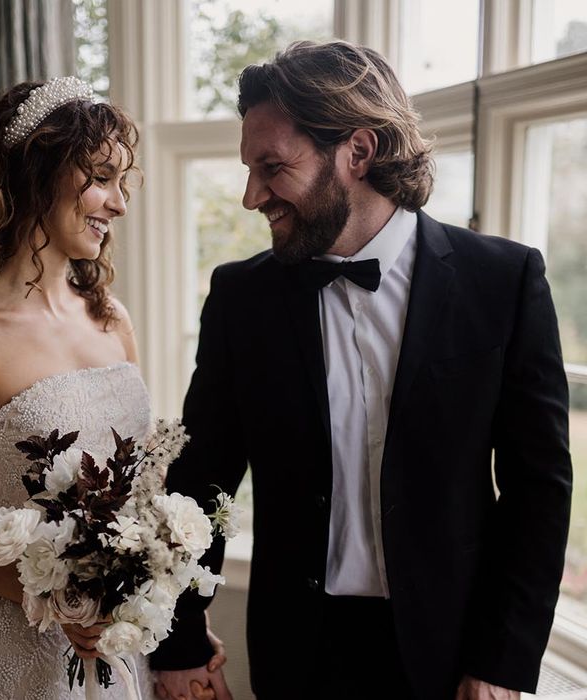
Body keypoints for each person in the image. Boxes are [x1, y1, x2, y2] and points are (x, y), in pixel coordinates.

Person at [151, 41, 572, 700]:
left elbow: (538, 491)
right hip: (299, 654)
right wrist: (175, 645)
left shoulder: (504, 282)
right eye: (249, 169)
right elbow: (198, 484)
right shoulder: (242, 299)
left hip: (453, 655)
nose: (251, 195)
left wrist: (502, 662)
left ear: (358, 151)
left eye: (272, 167)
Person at [0, 76, 215, 699]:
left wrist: (167, 605)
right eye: (100, 176)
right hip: (20, 653)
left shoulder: (111, 318)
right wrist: (54, 594)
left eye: (125, 183)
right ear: (33, 173)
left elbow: (143, 490)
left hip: (120, 650)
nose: (119, 204)